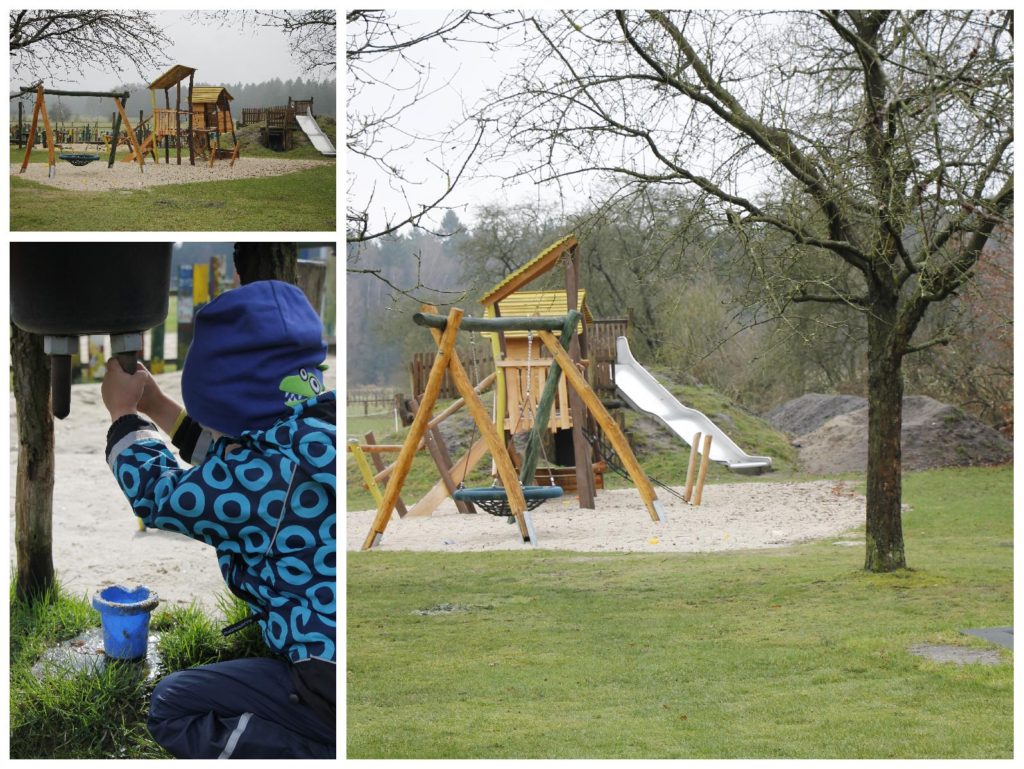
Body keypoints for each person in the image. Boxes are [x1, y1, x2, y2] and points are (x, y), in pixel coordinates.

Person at [101, 279, 335, 759]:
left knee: (172, 707)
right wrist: (158, 407)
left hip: (324, 676)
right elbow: (237, 462)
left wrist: (124, 416)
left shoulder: (261, 476)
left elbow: (158, 495)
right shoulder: (315, 429)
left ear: (228, 397)